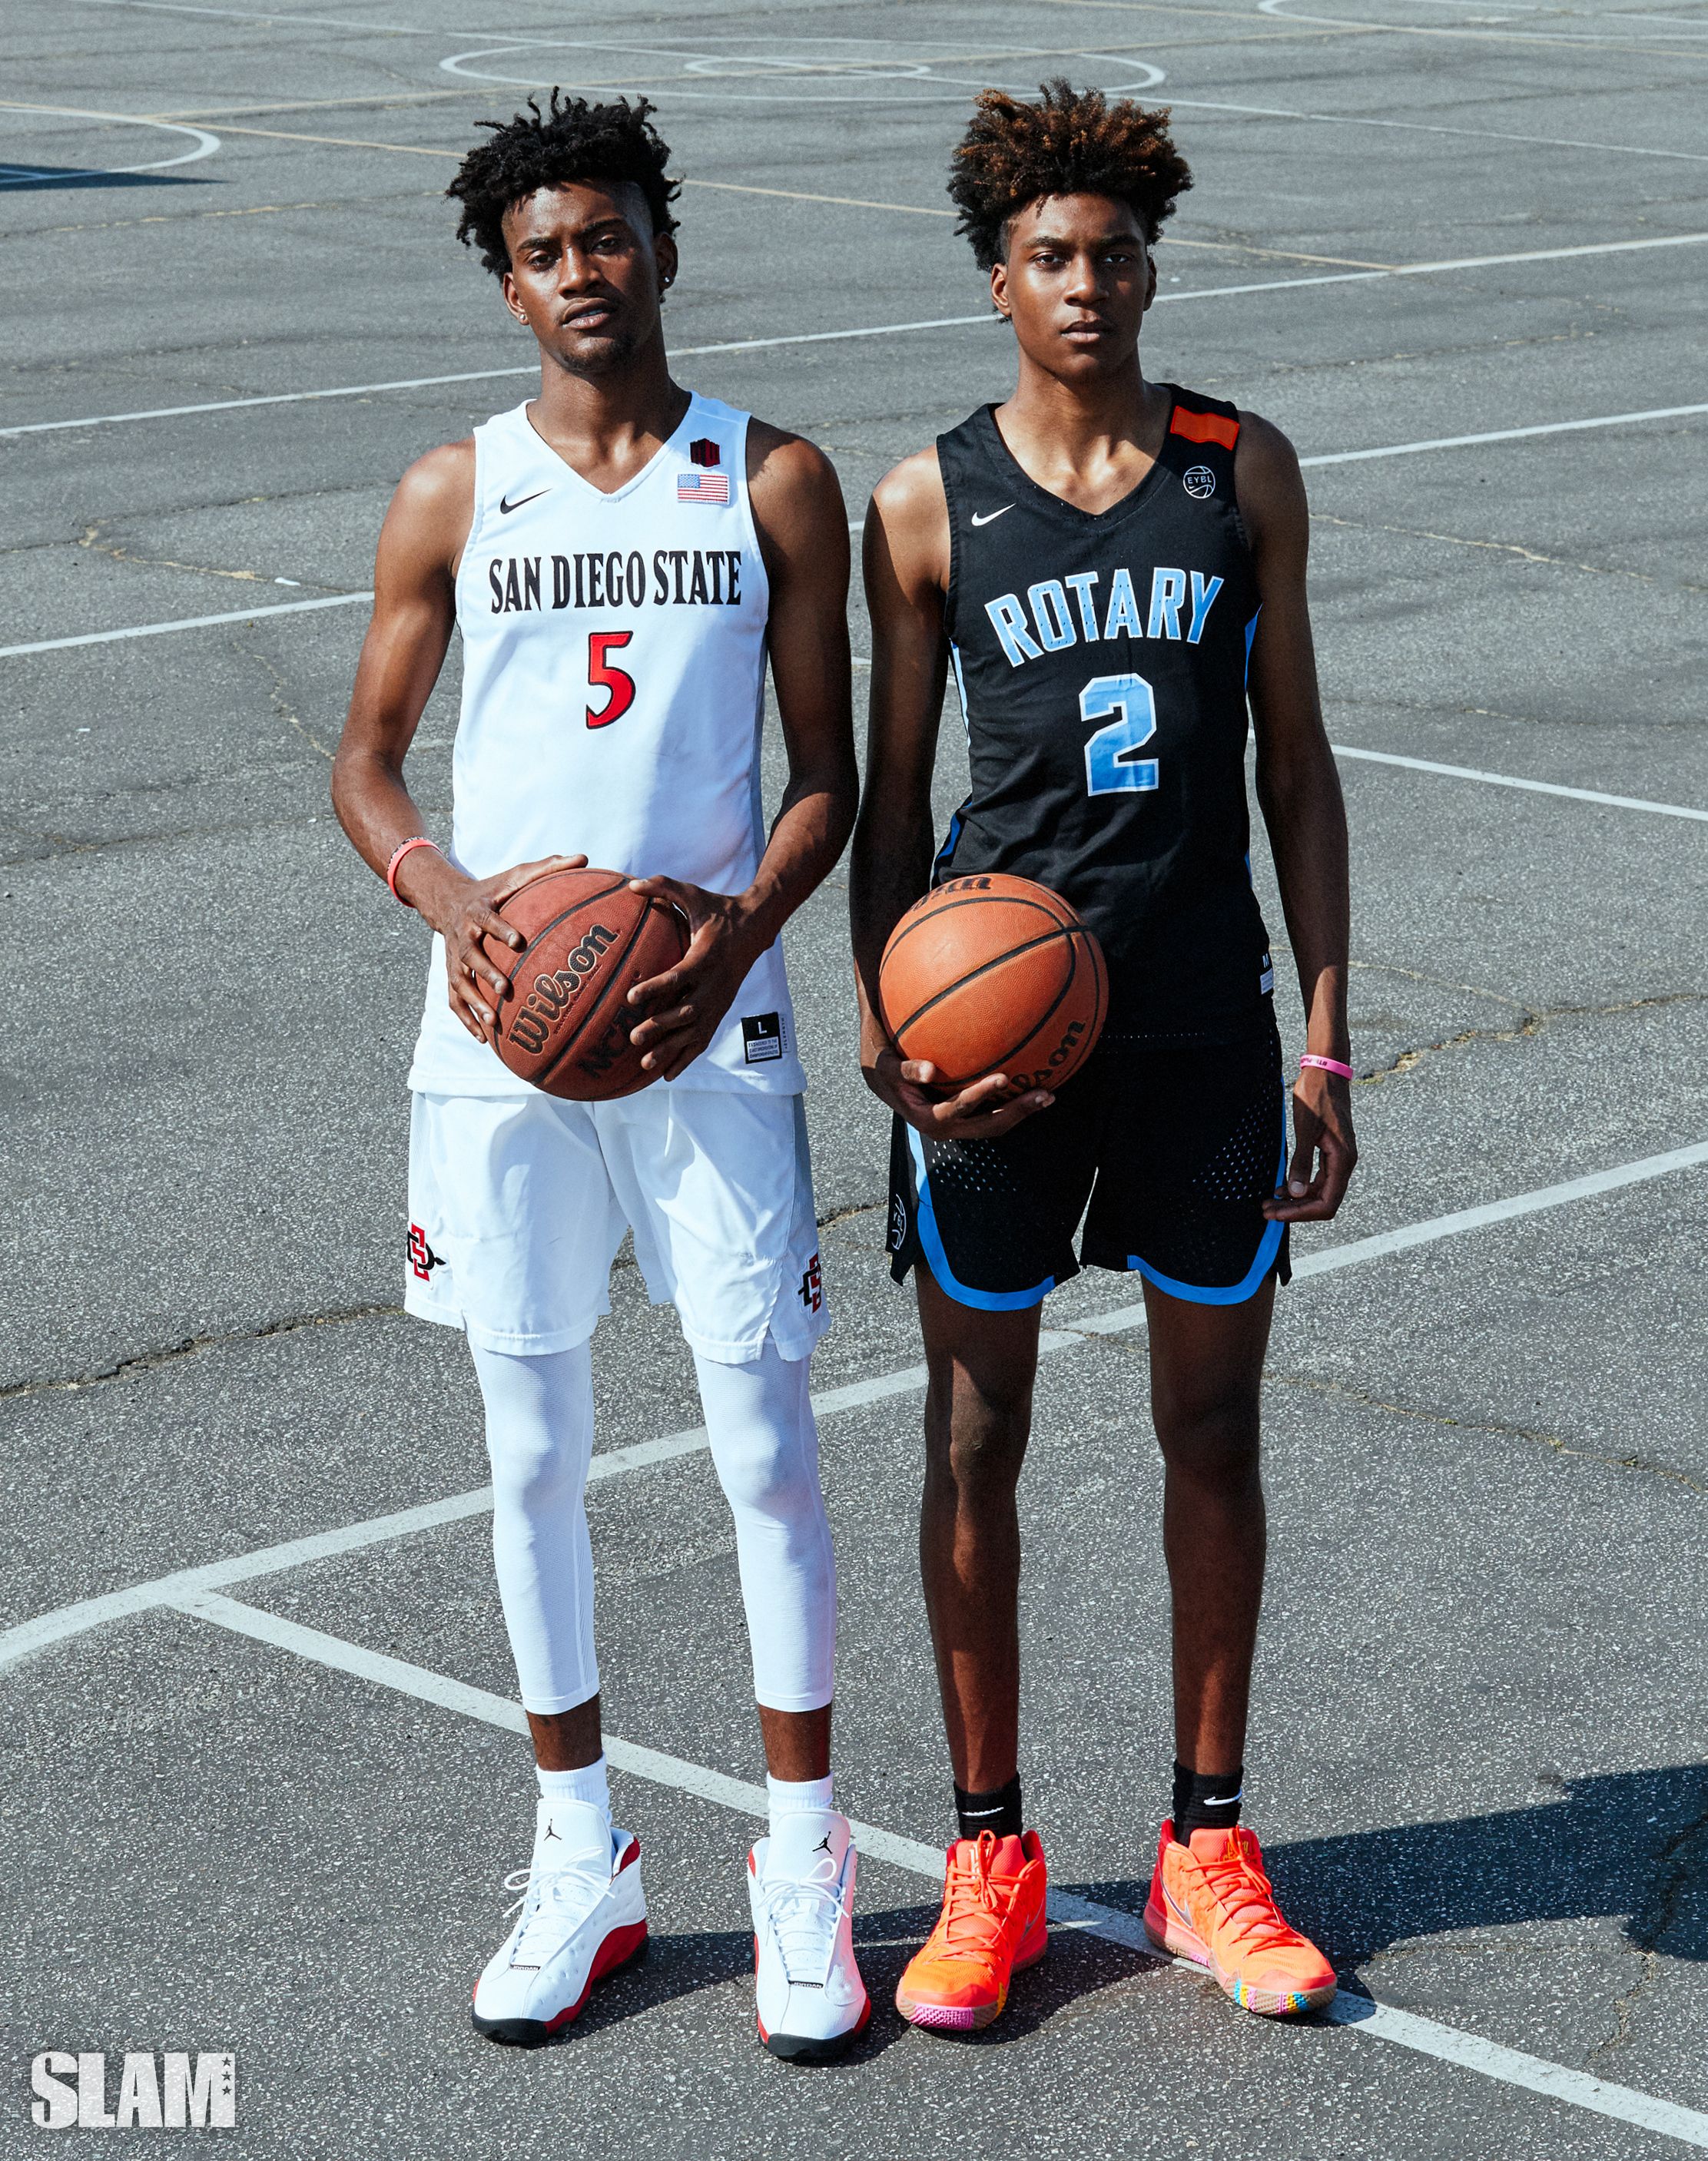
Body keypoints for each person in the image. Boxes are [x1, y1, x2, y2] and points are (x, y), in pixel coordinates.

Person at [331, 91, 867, 2062]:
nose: (583, 273)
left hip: (707, 1027)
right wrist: (455, 906)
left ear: (664, 241)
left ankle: (797, 1858)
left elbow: (832, 778)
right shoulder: (449, 491)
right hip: (501, 1043)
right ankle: (585, 1855)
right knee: (532, 1454)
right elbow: (367, 759)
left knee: (766, 1454)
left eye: (609, 236)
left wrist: (726, 939)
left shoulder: (774, 479)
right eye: (546, 252)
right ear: (508, 282)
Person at [851, 80, 1358, 2030]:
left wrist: (1323, 1035)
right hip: (993, 1048)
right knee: (978, 1436)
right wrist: (891, 1041)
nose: (1089, 283)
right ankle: (990, 1852)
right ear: (1000, 281)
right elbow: (895, 820)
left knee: (1211, 1432)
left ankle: (1205, 1845)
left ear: (1152, 267)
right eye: (1053, 257)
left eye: (1117, 253)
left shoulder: (1242, 465)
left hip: (1201, 1030)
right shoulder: (927, 499)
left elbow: (1296, 770)